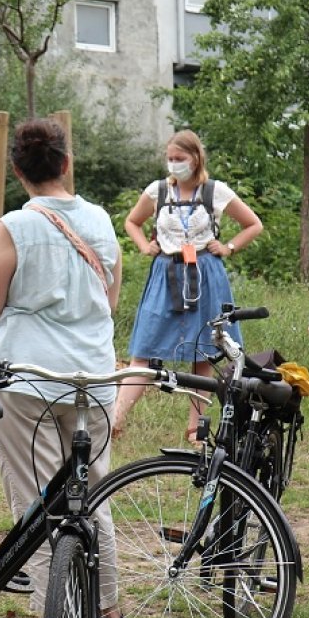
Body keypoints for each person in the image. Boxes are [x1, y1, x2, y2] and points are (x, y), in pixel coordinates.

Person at [0, 117, 124, 618]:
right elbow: (111, 301)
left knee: (36, 500)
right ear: (65, 163)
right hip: (94, 377)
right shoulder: (103, 221)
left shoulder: (17, 225)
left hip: (28, 379)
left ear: (18, 171)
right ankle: (106, 607)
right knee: (92, 492)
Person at [112, 129, 263, 444]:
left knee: (204, 352)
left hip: (205, 274)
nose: (173, 164)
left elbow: (253, 224)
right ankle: (115, 420)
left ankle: (196, 428)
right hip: (165, 274)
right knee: (144, 350)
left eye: (179, 159)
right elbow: (131, 222)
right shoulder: (158, 191)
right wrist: (143, 245)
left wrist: (229, 247)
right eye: (169, 158)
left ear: (196, 159)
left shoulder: (215, 191)